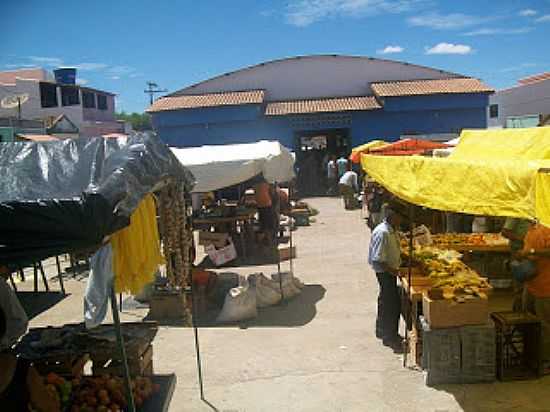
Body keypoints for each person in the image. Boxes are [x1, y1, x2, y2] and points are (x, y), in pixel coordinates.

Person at [368, 206, 403, 352]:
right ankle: (390, 337)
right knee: (391, 304)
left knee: (385, 300)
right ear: (392, 217)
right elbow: (378, 259)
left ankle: (382, 330)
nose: (401, 220)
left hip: (389, 271)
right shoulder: (383, 232)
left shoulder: (391, 230)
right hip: (385, 273)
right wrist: (394, 271)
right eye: (399, 217)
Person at [517, 223, 550, 372]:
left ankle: (545, 362)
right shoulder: (532, 228)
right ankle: (530, 356)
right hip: (531, 284)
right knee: (528, 322)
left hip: (546, 286)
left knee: (544, 326)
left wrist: (531, 251)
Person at [502, 218, 531, 311]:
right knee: (520, 286)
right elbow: (505, 232)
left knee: (531, 286)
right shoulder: (517, 213)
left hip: (531, 254)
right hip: (519, 253)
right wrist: (524, 239)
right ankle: (518, 314)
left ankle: (529, 315)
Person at [254, 180, 275, 246]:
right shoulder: (267, 184)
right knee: (268, 225)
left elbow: (256, 194)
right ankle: (269, 241)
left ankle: (262, 241)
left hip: (260, 205)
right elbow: (272, 193)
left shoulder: (255, 185)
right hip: (267, 205)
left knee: (263, 224)